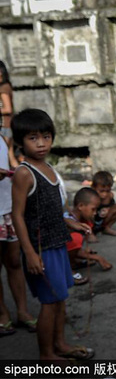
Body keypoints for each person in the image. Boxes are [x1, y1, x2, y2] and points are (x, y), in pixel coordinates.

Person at [11, 109, 94, 360]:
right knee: (49, 302)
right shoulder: (24, 173)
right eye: (33, 138)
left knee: (60, 299)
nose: (41, 143)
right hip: (40, 249)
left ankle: (60, 344)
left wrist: (72, 225)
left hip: (57, 243)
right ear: (20, 142)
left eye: (46, 137)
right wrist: (30, 253)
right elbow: (18, 216)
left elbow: (50, 210)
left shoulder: (48, 167)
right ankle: (47, 354)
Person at [1, 135, 37, 336]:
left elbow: (12, 163)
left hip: (7, 205)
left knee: (14, 261)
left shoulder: (2, 139)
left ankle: (22, 311)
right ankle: (2, 314)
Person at [64, 187, 113, 280]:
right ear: (81, 206)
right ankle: (68, 269)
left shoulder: (83, 220)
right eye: (93, 209)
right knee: (76, 238)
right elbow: (66, 248)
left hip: (65, 250)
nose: (95, 213)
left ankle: (73, 261)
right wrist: (97, 257)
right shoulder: (68, 221)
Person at [89, 171, 116, 241]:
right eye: (101, 191)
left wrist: (108, 209)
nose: (104, 194)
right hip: (90, 222)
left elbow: (113, 207)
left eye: (107, 191)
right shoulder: (90, 197)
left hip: (102, 220)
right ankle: (89, 232)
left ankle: (106, 228)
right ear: (93, 187)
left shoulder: (109, 196)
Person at [0, 60, 18, 168]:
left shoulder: (3, 88)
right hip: (6, 125)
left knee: (5, 155)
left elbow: (7, 109)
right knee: (10, 156)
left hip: (5, 125)